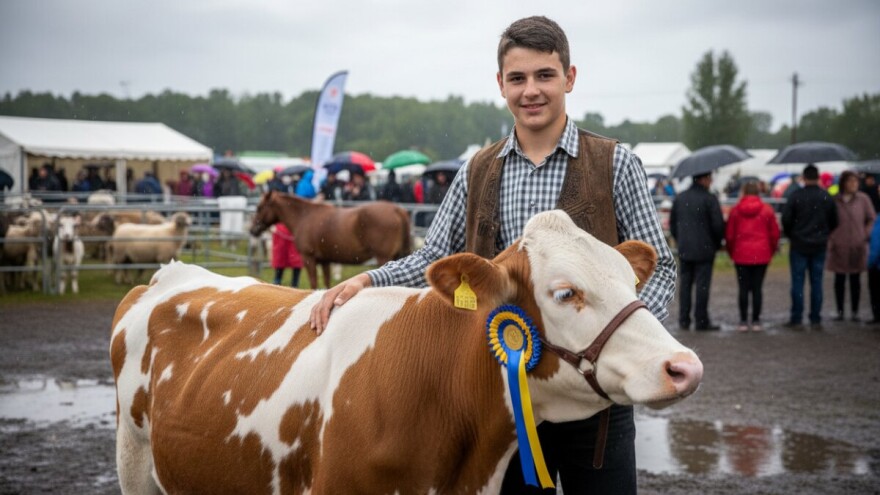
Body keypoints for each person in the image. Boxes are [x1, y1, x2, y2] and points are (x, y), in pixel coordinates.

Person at [309, 16, 676, 494]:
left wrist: (626, 334)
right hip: (507, 398)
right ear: (500, 84)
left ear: (569, 77)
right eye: (518, 78)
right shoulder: (478, 169)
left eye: (545, 75)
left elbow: (660, 265)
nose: (531, 91)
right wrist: (366, 282)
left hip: (595, 394)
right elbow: (438, 255)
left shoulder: (614, 164)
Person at [782, 164, 838, 326]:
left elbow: (786, 219)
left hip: (799, 244)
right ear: (818, 177)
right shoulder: (826, 196)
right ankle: (815, 317)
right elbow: (835, 220)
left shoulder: (795, 196)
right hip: (819, 244)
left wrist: (792, 233)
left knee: (798, 282)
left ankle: (797, 317)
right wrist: (824, 233)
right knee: (817, 282)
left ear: (803, 178)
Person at [669, 172, 725, 331]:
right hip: (705, 249)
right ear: (703, 179)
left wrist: (681, 239)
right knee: (702, 286)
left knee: (685, 285)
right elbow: (718, 225)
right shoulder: (710, 199)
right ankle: (701, 320)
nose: (711, 181)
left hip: (685, 248)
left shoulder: (680, 198)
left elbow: (673, 225)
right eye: (709, 178)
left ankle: (684, 319)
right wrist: (716, 242)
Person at [725, 181, 780, 331]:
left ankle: (743, 321)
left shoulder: (735, 210)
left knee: (743, 288)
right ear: (758, 192)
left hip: (741, 254)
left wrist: (731, 252)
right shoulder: (767, 210)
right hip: (761, 254)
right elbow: (774, 234)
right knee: (757, 288)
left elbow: (730, 235)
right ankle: (756, 321)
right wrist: (772, 251)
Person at [826, 170, 876, 322]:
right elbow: (828, 221)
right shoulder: (835, 200)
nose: (854, 184)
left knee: (855, 279)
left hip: (857, 244)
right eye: (850, 181)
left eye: (856, 181)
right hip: (839, 245)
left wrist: (865, 234)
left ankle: (855, 311)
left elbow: (871, 218)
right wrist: (832, 237)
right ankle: (840, 311)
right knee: (839, 280)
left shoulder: (863, 199)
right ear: (844, 183)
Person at [866, 215, 880, 324]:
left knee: (875, 291)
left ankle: (877, 316)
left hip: (877, 265)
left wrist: (870, 263)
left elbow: (876, 244)